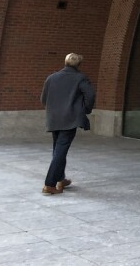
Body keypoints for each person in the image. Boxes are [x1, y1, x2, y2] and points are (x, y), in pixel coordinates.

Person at [40, 53, 96, 195]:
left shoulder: (52, 77)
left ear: (65, 62)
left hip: (54, 118)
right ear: (79, 64)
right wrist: (85, 109)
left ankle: (60, 178)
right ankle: (49, 185)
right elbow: (90, 95)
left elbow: (43, 99)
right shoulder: (80, 78)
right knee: (61, 150)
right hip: (70, 118)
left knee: (58, 149)